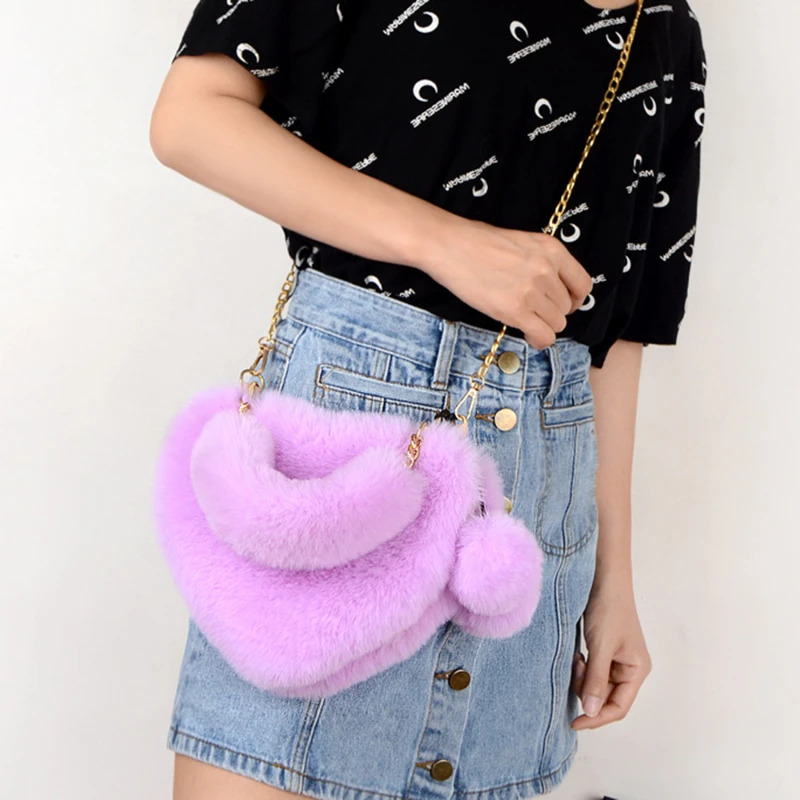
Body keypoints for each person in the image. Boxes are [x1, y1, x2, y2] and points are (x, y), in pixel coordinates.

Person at [150, 1, 707, 798]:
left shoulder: (670, 33)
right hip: (348, 449)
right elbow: (191, 118)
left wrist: (612, 582)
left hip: (530, 507)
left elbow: (616, 337)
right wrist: (442, 242)